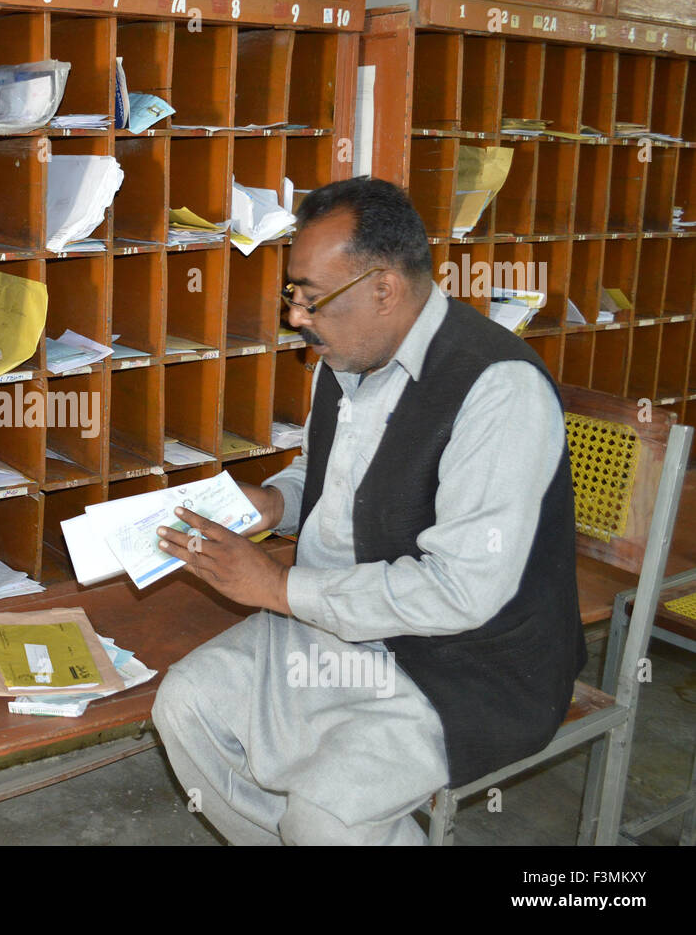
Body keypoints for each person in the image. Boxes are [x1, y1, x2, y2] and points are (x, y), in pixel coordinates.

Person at [151, 177, 586, 845]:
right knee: (184, 706)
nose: (296, 316)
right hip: (337, 617)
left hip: (468, 663)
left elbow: (461, 591)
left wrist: (274, 587)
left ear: (383, 288)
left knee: (326, 816)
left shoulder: (498, 390)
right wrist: (274, 501)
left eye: (311, 297)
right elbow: (328, 477)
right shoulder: (346, 351)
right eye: (292, 293)